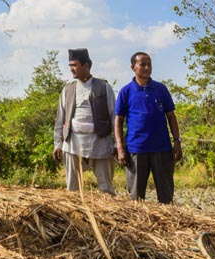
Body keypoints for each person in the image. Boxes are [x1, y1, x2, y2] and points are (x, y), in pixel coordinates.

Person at [114, 52, 181, 204]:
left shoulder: (160, 89)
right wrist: (119, 147)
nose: (147, 67)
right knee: (136, 198)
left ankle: (168, 225)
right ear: (133, 67)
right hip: (136, 150)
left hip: (162, 149)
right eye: (142, 64)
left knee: (166, 196)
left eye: (149, 64)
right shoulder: (126, 91)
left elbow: (171, 116)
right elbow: (118, 120)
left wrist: (177, 141)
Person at [53, 49, 116, 195]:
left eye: (74, 65)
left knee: (106, 189)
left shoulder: (104, 87)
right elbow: (60, 119)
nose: (71, 69)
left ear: (86, 65)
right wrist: (58, 143)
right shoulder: (68, 89)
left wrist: (117, 143)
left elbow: (114, 116)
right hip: (73, 143)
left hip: (100, 142)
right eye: (70, 65)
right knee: (72, 190)